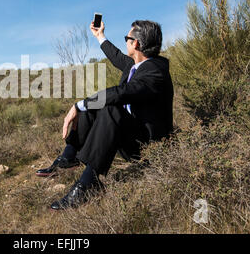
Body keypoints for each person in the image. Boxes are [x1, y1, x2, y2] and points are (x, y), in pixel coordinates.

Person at [36, 19, 174, 210]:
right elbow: (116, 56)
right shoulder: (136, 65)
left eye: (127, 38)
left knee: (109, 107)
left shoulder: (155, 72)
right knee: (94, 105)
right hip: (132, 137)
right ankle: (69, 156)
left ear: (136, 43)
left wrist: (79, 105)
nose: (125, 41)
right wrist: (100, 35)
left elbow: (121, 93)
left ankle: (89, 183)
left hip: (148, 148)